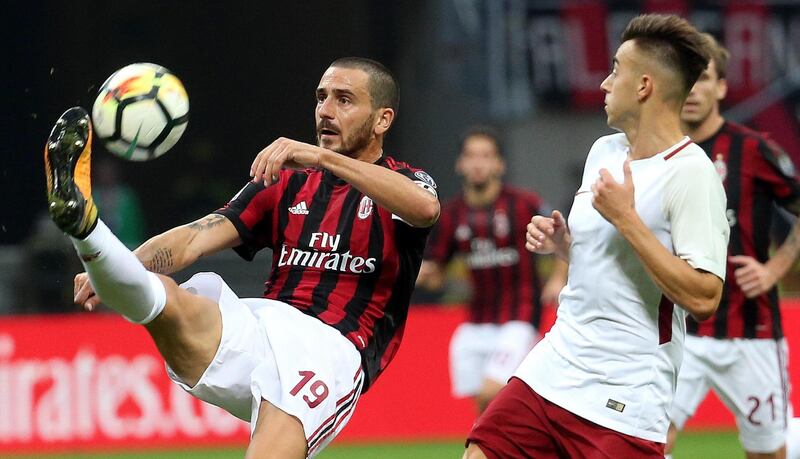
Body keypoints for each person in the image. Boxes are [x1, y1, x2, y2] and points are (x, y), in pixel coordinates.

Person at [47, 57, 440, 459]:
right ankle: (89, 233)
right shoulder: (287, 182)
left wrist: (322, 157)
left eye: (344, 100)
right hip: (263, 325)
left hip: (331, 349)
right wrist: (118, 266)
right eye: (321, 97)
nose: (325, 110)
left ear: (382, 120)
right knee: (166, 299)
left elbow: (424, 209)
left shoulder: (405, 180)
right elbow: (192, 240)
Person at [463, 14, 729, 458]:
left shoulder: (692, 174)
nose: (605, 84)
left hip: (626, 390)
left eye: (615, 71)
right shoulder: (603, 152)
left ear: (644, 86)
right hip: (556, 364)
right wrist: (566, 246)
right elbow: (607, 263)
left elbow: (704, 298)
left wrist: (627, 220)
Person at [666, 34, 800, 459]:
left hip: (752, 332)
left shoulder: (753, 149)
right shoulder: (659, 154)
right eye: (684, 78)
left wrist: (775, 269)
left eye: (703, 77)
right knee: (645, 442)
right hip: (680, 332)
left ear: (721, 87)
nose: (692, 89)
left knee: (767, 453)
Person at [416, 125, 567, 414]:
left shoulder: (524, 204)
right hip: (475, 323)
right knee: (486, 410)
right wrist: (420, 274)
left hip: (520, 317)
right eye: (471, 156)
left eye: (486, 156)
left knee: (491, 393)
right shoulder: (450, 215)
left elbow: (564, 234)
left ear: (499, 163)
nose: (478, 163)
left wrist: (558, 278)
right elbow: (436, 275)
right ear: (460, 163)